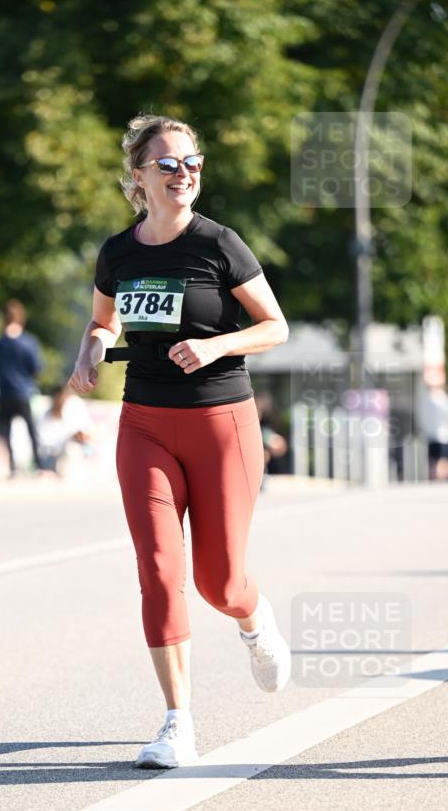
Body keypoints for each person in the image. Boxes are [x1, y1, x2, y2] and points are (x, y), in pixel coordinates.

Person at [69, 113, 291, 770]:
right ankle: (177, 723)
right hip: (143, 423)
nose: (183, 173)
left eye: (191, 162)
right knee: (160, 573)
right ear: (137, 178)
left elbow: (274, 327)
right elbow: (101, 322)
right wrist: (89, 350)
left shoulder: (219, 244)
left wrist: (217, 342)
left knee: (218, 581)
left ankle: (253, 620)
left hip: (221, 424)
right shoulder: (119, 252)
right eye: (167, 164)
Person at [0, 298, 45, 476]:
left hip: (5, 392)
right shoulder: (29, 342)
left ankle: (12, 467)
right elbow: (36, 368)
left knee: (5, 431)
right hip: (25, 392)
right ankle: (40, 465)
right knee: (31, 430)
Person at [36, 383, 93, 476]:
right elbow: (41, 442)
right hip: (49, 458)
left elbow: (88, 436)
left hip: (71, 456)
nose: (60, 400)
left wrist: (78, 437)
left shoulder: (74, 409)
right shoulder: (45, 416)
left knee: (71, 450)